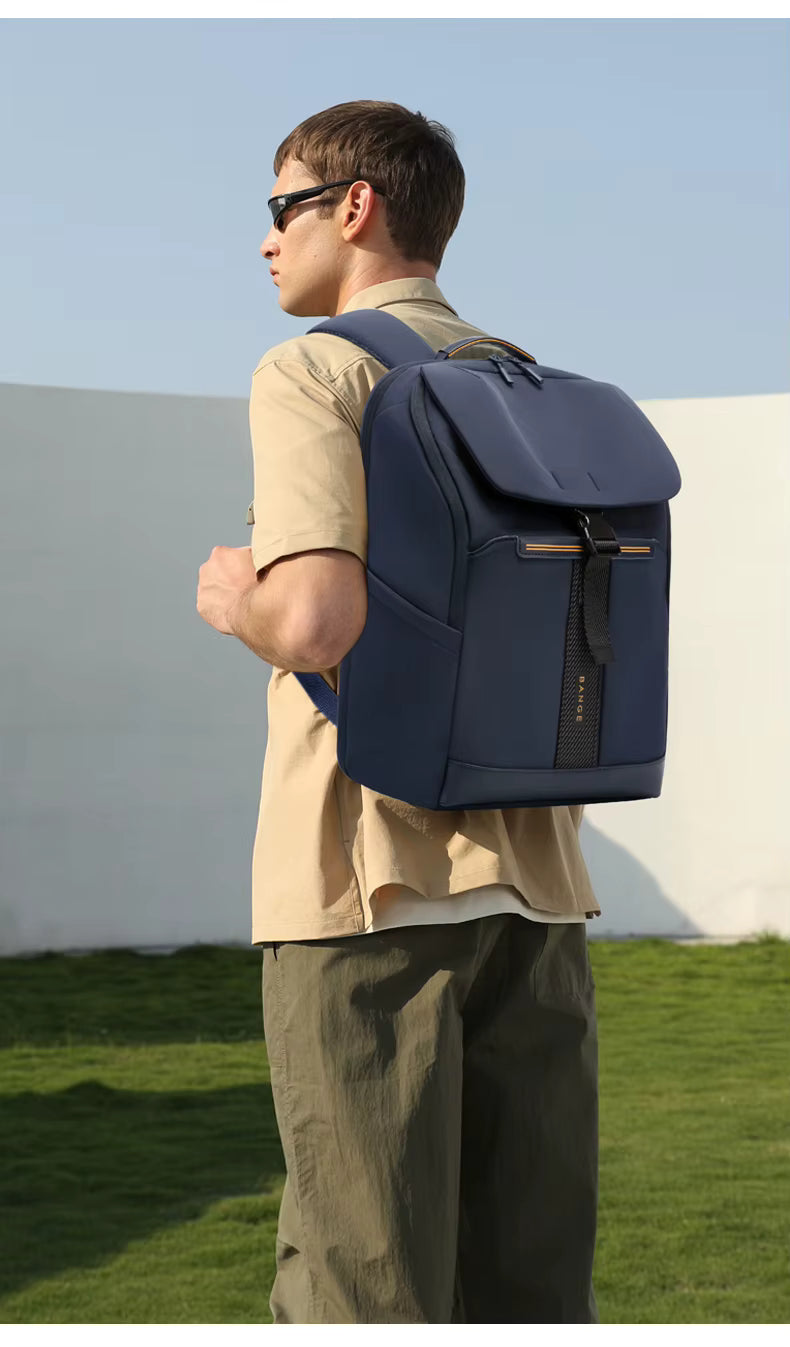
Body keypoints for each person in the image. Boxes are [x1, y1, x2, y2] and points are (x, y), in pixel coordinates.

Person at [196, 99, 600, 1325]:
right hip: (537, 888)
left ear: (355, 207)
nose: (266, 238)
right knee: (527, 1291)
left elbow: (317, 623)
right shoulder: (526, 381)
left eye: (282, 206)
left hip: (367, 885)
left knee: (364, 1282)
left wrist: (236, 599)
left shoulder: (315, 369)